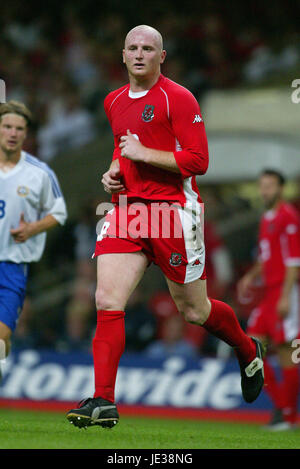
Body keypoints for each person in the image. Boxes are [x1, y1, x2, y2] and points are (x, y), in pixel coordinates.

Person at [67, 25, 265, 429]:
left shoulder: (179, 97)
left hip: (174, 211)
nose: (140, 54)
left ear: (162, 57)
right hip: (129, 211)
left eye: (148, 48)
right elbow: (121, 147)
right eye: (133, 48)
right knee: (106, 299)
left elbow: (198, 160)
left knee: (194, 310)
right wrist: (113, 171)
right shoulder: (113, 100)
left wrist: (144, 153)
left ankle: (247, 349)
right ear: (122, 55)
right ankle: (103, 399)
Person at [0, 100, 67, 373]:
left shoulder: (39, 173)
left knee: (2, 337)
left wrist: (32, 229)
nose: (13, 133)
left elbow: (59, 212)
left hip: (12, 267)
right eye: (7, 127)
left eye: (19, 128)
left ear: (26, 134)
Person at [238, 169, 300, 431]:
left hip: (285, 292)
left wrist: (286, 296)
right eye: (262, 186)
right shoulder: (267, 218)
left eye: (270, 186)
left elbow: (294, 261)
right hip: (268, 294)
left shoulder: (289, 217)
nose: (265, 191)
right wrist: (249, 276)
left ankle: (286, 416)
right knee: (250, 347)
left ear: (281, 189)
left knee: (288, 351)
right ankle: (281, 408)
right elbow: (267, 256)